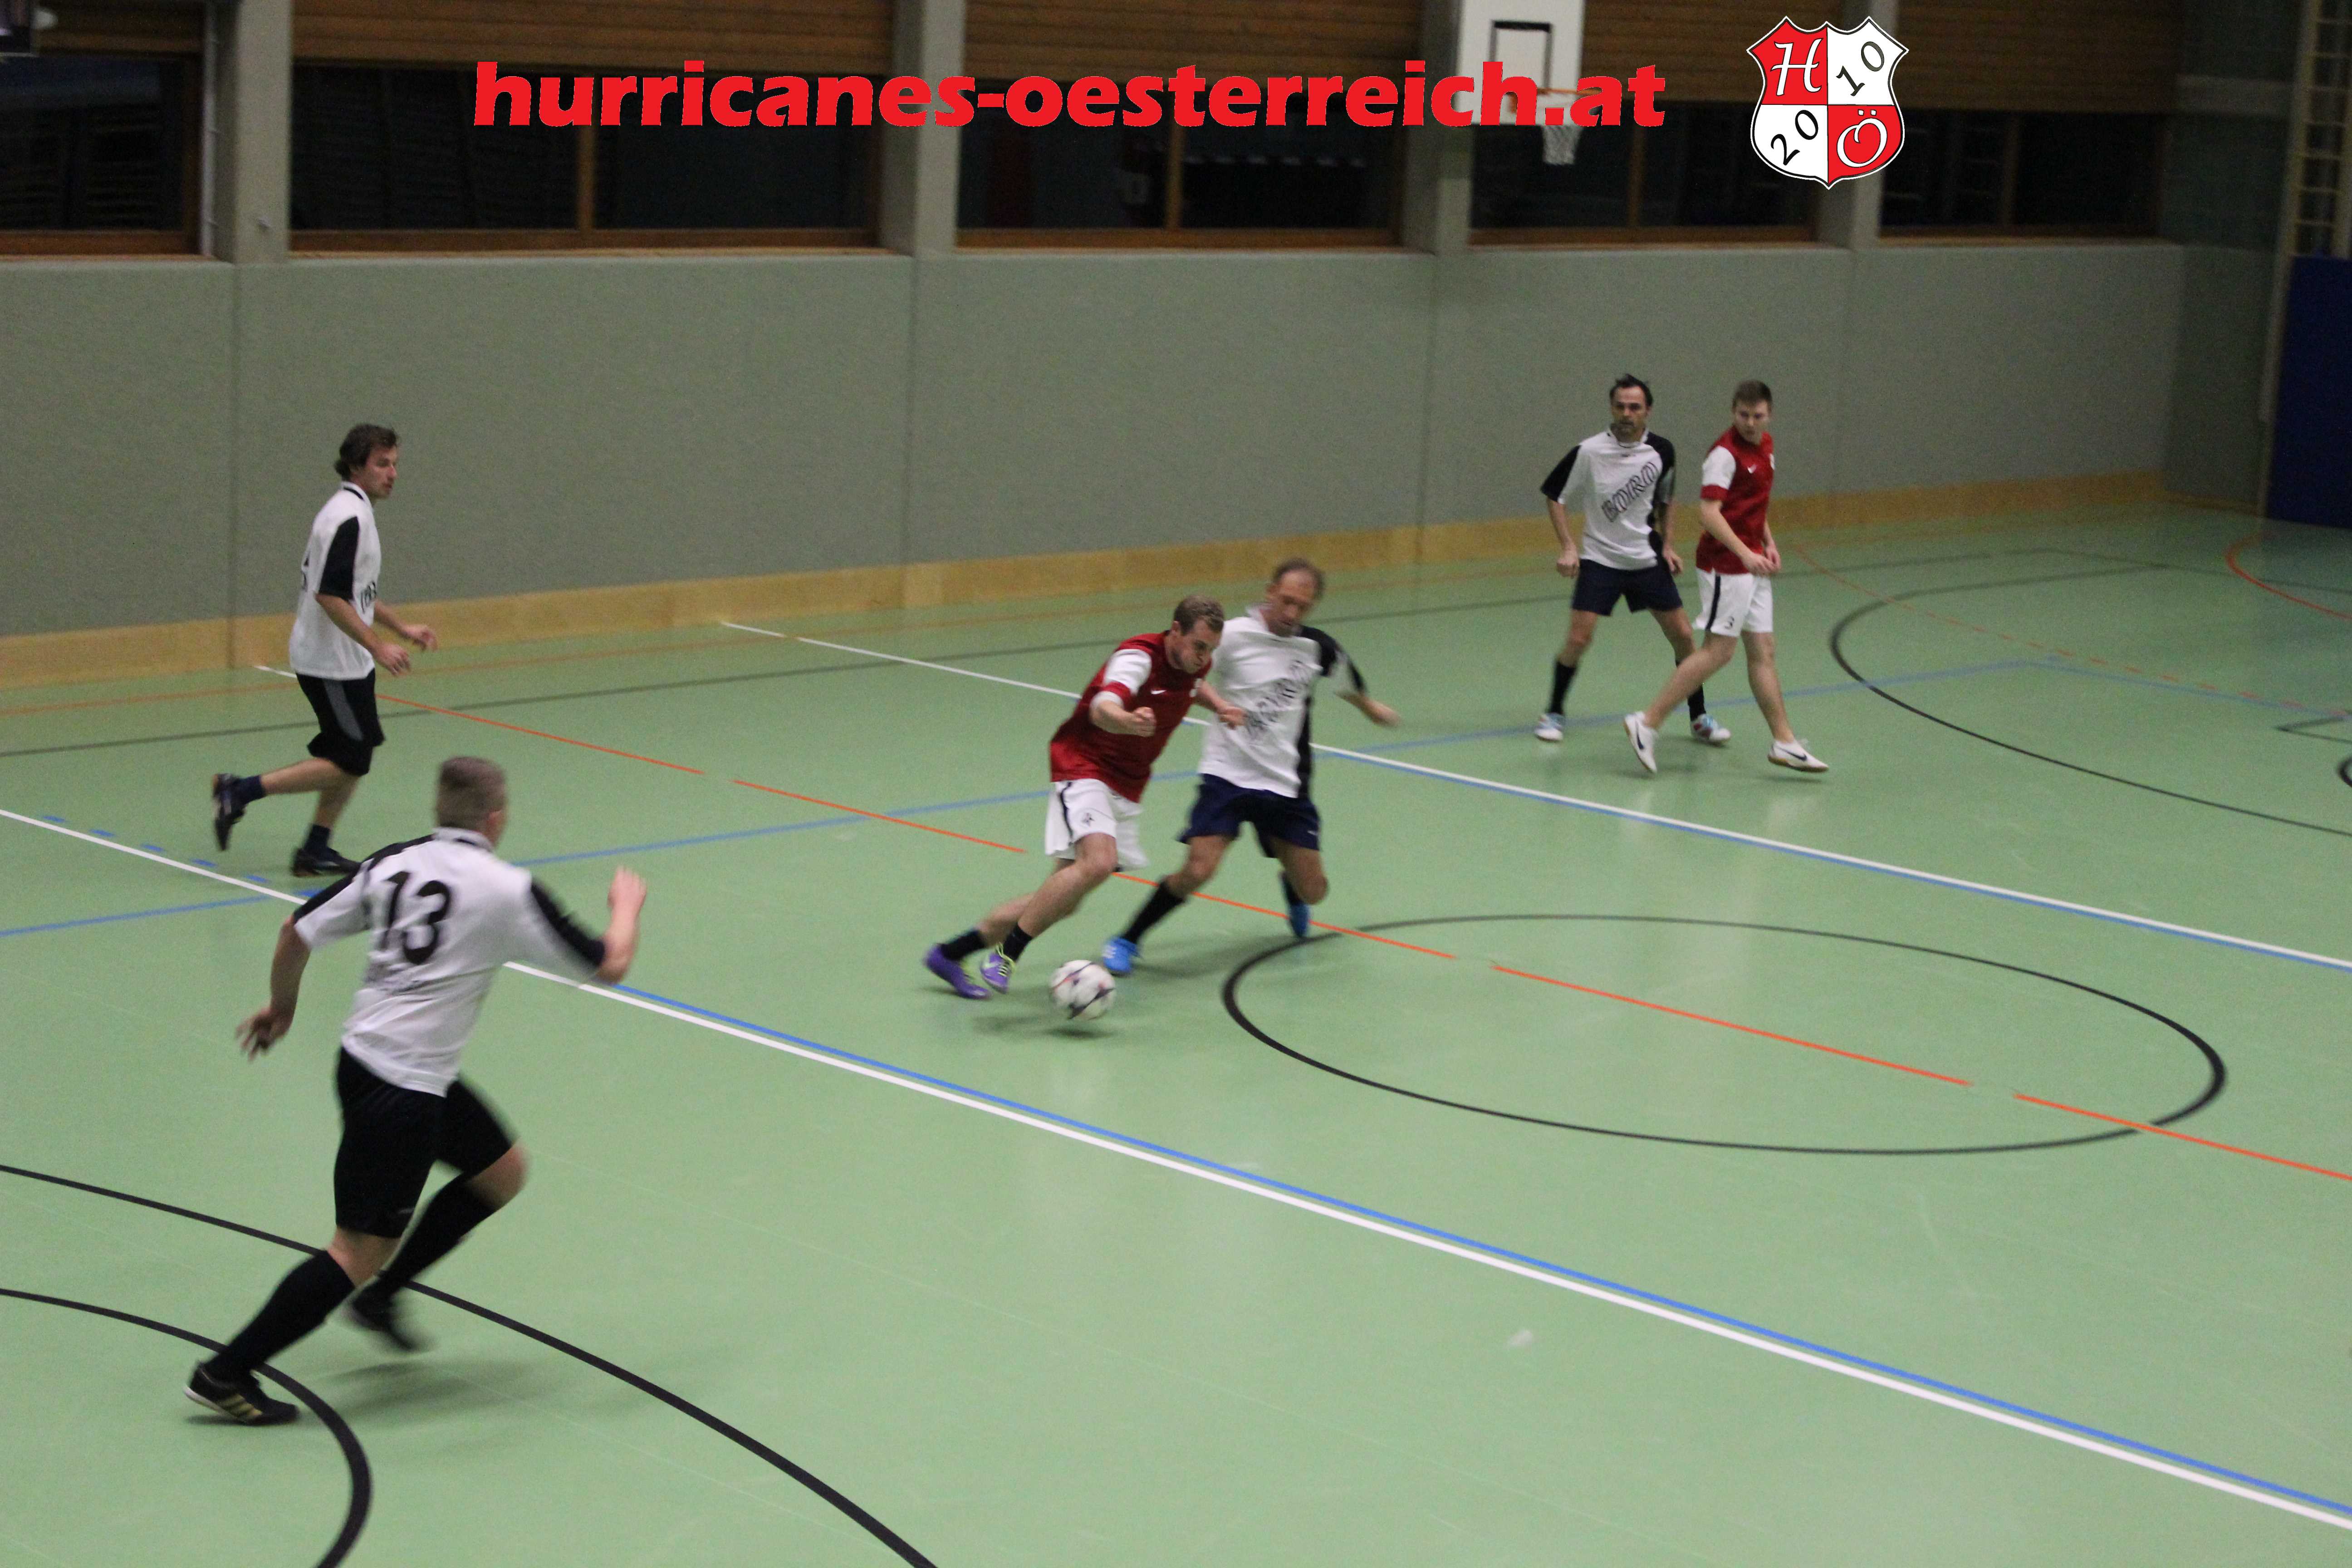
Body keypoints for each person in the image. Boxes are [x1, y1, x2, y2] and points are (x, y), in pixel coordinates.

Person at [184, 757, 646, 1426]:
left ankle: (382, 1297)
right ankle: (225, 1372)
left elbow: (296, 931)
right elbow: (612, 962)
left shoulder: (394, 863)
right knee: (355, 1251)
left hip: (371, 1063)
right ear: (495, 819)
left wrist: (281, 1009)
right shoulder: (507, 888)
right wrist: (625, 909)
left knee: (501, 1172)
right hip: (403, 1090)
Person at [924, 597, 1241, 998]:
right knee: (1099, 862)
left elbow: (1192, 686)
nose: (1204, 657)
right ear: (1175, 630)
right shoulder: (1138, 657)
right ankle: (1006, 955)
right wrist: (1127, 720)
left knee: (1063, 898)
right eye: (1199, 646)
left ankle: (949, 955)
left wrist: (1221, 706)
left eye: (1211, 650)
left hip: (1127, 784)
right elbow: (1102, 707)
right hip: (1086, 766)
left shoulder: (1193, 665)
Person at [1101, 559, 1397, 974]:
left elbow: (1346, 680)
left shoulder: (1317, 647)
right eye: (1286, 601)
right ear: (1270, 591)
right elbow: (1190, 672)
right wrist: (1214, 705)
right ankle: (1128, 939)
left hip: (1285, 781)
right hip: (1228, 774)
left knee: (1315, 892)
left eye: (1303, 607)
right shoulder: (1233, 636)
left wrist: (1370, 708)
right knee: (1198, 869)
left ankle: (1291, 886)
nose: (1292, 613)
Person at [212, 424, 440, 877]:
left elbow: (357, 593)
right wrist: (379, 646)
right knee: (350, 760)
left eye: (395, 464)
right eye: (382, 464)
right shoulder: (347, 519)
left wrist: (401, 627)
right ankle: (240, 792)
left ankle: (315, 849)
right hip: (330, 661)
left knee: (353, 756)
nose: (392, 473)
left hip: (346, 658)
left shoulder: (354, 512)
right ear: (355, 466)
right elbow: (330, 596)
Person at [1623, 381, 1828, 774]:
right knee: (1719, 651)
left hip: (1753, 563)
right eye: (1743, 415)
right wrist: (1745, 554)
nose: (1750, 423)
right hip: (1725, 566)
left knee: (1764, 650)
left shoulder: (1766, 448)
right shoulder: (1724, 454)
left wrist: (1768, 543)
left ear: (1769, 415)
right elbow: (1710, 513)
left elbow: (1752, 505)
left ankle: (1785, 742)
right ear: (1733, 412)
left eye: (1758, 416)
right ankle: (1646, 723)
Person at [1534, 376, 1725, 748]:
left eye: (1634, 407)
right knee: (1578, 638)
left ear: (1647, 411)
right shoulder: (1589, 451)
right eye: (1620, 406)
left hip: (1645, 559)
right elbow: (1555, 495)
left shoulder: (1662, 451)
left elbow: (1666, 499)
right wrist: (1568, 546)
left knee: (1684, 636)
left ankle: (1699, 717)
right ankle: (1554, 712)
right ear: (1612, 408)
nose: (1627, 413)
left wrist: (1668, 546)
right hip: (1600, 559)